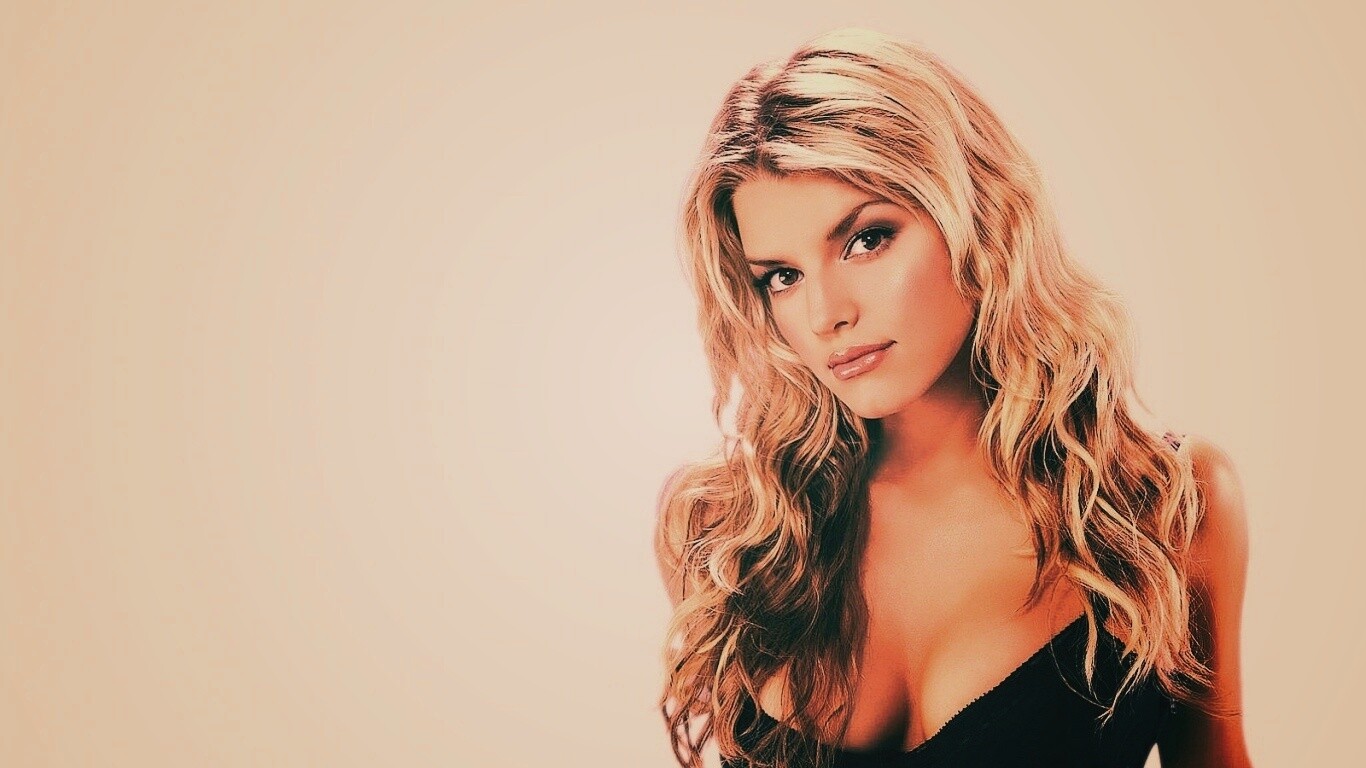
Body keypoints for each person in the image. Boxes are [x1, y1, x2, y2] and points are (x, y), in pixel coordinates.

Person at [652, 28, 1252, 768]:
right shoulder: (726, 531)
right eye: (783, 276)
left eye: (866, 240)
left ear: (976, 215)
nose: (825, 314)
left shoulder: (1163, 504)